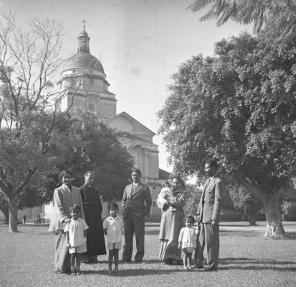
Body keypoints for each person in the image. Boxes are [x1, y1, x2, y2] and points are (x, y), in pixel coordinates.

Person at [52, 170, 85, 274]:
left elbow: (80, 206)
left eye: (68, 177)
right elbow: (59, 207)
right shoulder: (58, 190)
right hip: (63, 222)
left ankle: (69, 268)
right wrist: (65, 219)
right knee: (62, 245)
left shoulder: (77, 190)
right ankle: (59, 267)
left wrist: (82, 219)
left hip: (75, 222)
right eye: (64, 177)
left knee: (72, 245)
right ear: (61, 179)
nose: (66, 179)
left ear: (72, 178)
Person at [195, 159, 223, 271]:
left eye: (208, 167)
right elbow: (202, 199)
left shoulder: (218, 181)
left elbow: (218, 200)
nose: (206, 169)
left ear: (215, 168)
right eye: (205, 167)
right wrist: (198, 213)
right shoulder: (207, 181)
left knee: (212, 242)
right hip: (202, 216)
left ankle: (212, 265)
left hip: (211, 217)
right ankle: (197, 263)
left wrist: (214, 218)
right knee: (199, 241)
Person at [122, 168, 152, 263]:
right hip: (127, 215)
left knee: (139, 237)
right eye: (133, 175)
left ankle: (139, 257)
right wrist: (124, 209)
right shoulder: (127, 187)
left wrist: (143, 213)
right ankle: (126, 257)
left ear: (140, 176)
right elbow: (123, 200)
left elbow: (149, 202)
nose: (134, 177)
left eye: (136, 175)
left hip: (139, 215)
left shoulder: (144, 188)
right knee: (127, 237)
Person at [80, 171, 106, 263]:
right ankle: (84, 256)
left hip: (95, 217)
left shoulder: (96, 191)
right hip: (86, 216)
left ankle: (93, 255)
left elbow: (99, 204)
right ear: (85, 178)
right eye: (89, 178)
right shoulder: (80, 190)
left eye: (93, 178)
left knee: (95, 236)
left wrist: (98, 214)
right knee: (86, 236)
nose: (91, 180)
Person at [158, 176, 185, 265]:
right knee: (165, 237)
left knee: (175, 237)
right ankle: (164, 257)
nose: (175, 184)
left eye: (177, 182)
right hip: (166, 216)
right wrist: (162, 203)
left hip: (176, 218)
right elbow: (158, 202)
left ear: (180, 184)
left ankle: (175, 257)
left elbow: (180, 203)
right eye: (173, 182)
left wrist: (168, 199)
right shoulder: (166, 190)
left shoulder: (182, 193)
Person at [64, 204, 89, 275]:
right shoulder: (69, 222)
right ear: (70, 213)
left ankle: (78, 269)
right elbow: (67, 233)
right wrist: (68, 242)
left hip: (80, 241)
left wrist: (85, 238)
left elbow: (85, 230)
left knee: (78, 256)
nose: (75, 213)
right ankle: (72, 270)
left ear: (79, 213)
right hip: (72, 242)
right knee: (72, 255)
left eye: (77, 212)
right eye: (73, 212)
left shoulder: (82, 221)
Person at [103, 202, 124, 273]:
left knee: (116, 254)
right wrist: (109, 235)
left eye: (115, 210)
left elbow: (121, 228)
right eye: (111, 210)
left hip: (118, 239)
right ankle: (109, 268)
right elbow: (105, 229)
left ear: (117, 210)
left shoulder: (120, 219)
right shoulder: (107, 220)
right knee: (111, 254)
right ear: (109, 211)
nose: (113, 211)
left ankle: (116, 267)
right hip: (110, 240)